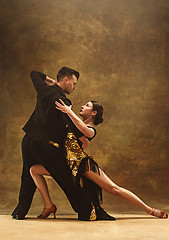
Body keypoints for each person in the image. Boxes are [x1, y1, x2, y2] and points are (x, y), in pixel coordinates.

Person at [30, 99, 168, 219]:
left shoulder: (91, 130)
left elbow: (84, 131)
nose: (83, 106)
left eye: (87, 105)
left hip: (83, 165)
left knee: (114, 189)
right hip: (67, 166)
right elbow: (81, 142)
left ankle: (150, 210)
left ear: (94, 112)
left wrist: (68, 112)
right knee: (34, 170)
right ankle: (48, 205)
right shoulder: (75, 127)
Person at [12, 67, 110, 221]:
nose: (74, 87)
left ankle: (20, 212)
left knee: (28, 174)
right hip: (45, 146)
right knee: (67, 178)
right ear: (66, 80)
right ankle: (87, 210)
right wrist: (84, 139)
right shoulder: (63, 101)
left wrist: (51, 81)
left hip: (28, 140)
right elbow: (70, 124)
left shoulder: (44, 89)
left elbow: (34, 74)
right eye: (74, 83)